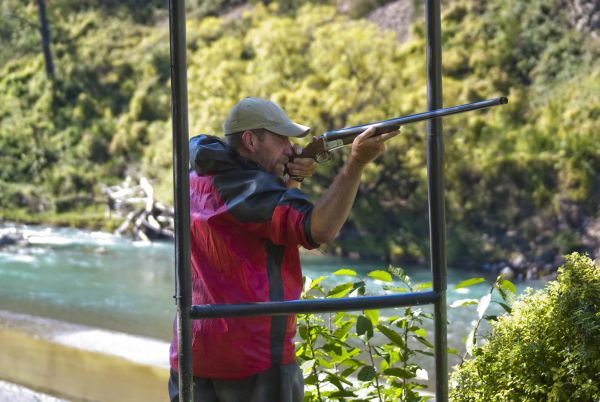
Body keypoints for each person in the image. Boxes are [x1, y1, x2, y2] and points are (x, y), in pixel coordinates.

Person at [169, 97, 398, 402]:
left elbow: (266, 227)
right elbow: (318, 229)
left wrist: (290, 182)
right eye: (283, 140)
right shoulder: (254, 190)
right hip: (254, 360)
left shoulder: (195, 177)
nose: (292, 148)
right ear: (251, 140)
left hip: (191, 354)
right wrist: (355, 163)